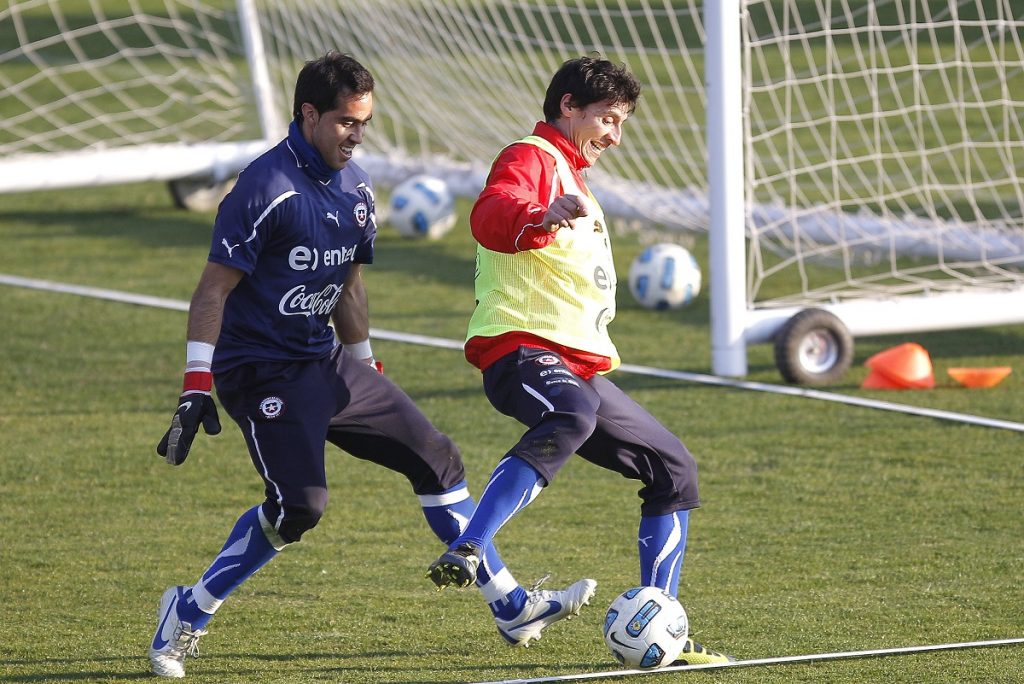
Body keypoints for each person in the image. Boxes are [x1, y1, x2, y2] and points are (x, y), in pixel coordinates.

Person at [149, 52, 596, 679]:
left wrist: (366, 368)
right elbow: (212, 291)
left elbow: (350, 288)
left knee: (437, 458)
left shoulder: (358, 190)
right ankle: (186, 613)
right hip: (262, 372)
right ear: (308, 115)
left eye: (363, 123)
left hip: (328, 362)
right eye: (345, 123)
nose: (356, 136)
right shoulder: (262, 190)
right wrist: (196, 386)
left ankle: (513, 606)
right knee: (298, 508)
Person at [426, 55, 733, 664]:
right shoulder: (531, 158)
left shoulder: (572, 172)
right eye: (608, 119)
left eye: (622, 124)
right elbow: (490, 215)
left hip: (575, 368)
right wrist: (538, 215)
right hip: (519, 349)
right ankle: (470, 546)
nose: (616, 136)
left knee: (674, 469)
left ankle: (662, 625)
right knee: (570, 411)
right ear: (568, 106)